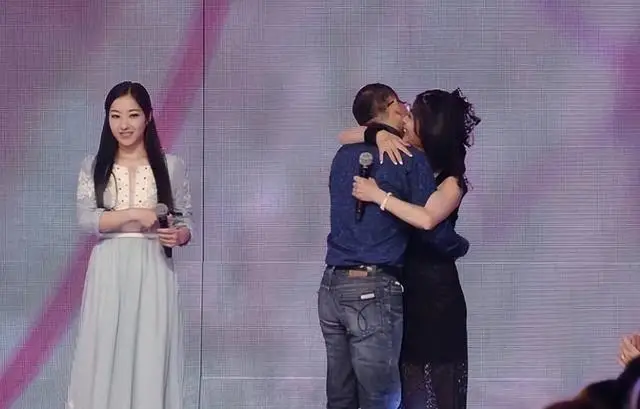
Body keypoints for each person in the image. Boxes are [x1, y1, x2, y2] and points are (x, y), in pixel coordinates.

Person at [320, 83, 469, 409]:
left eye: (413, 115)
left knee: (418, 388)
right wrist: (378, 135)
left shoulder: (447, 178)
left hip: (428, 293)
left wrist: (379, 195)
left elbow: (428, 222)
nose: (405, 116)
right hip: (391, 287)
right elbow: (346, 135)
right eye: (404, 109)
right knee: (388, 391)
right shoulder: (404, 157)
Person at [67, 81, 192, 409]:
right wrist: (135, 214)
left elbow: (184, 220)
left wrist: (179, 235)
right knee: (107, 348)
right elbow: (87, 219)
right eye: (115, 115)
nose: (124, 124)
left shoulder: (171, 166)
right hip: (109, 266)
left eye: (133, 115)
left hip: (154, 267)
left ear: (148, 117)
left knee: (151, 349)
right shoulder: (94, 166)